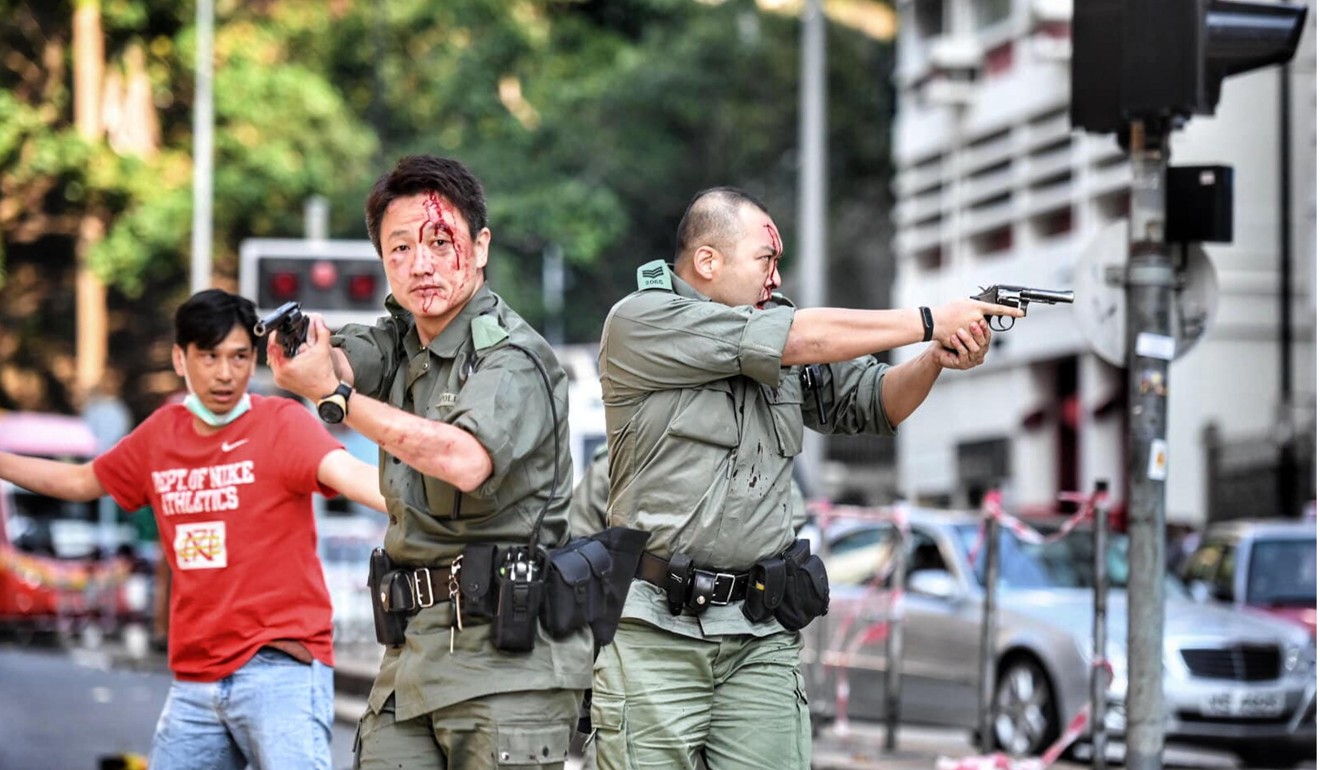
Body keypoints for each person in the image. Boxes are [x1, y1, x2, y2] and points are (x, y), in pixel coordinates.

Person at [592, 186, 1024, 770]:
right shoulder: (642, 320)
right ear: (708, 262)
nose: (776, 275)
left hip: (758, 629)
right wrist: (929, 320)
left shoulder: (778, 325)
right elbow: (796, 338)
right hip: (656, 630)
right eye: (765, 260)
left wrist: (935, 356)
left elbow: (876, 403)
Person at [268, 154, 590, 769]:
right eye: (399, 250)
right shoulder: (401, 341)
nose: (421, 265)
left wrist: (335, 400)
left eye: (441, 243)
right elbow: (344, 356)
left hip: (506, 665)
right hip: (412, 657)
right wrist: (309, 356)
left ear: (481, 245)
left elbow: (464, 459)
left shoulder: (515, 357)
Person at [0, 288, 387, 770]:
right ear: (180, 359)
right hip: (196, 679)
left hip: (281, 668)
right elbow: (80, 480)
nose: (225, 373)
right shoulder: (161, 434)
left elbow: (354, 477)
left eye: (238, 357)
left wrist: (431, 501)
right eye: (209, 357)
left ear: (255, 357)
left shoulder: (282, 424)